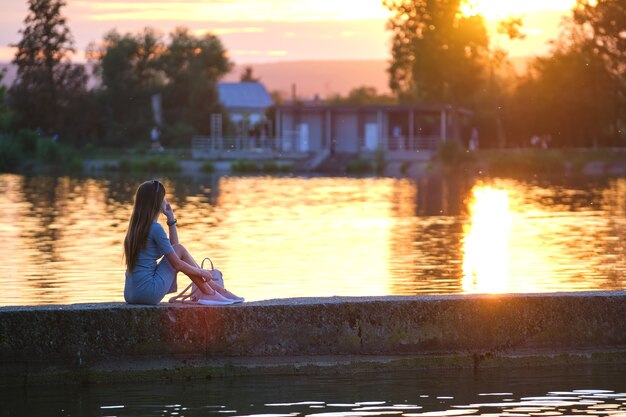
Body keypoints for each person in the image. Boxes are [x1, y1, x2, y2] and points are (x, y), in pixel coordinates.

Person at [123, 180, 243, 305]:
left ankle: (216, 290)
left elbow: (174, 247)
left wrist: (170, 218)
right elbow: (177, 264)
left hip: (131, 294)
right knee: (179, 250)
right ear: (157, 202)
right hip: (148, 293)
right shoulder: (155, 228)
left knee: (178, 249)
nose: (165, 200)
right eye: (163, 197)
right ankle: (210, 292)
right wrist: (201, 272)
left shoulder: (135, 229)